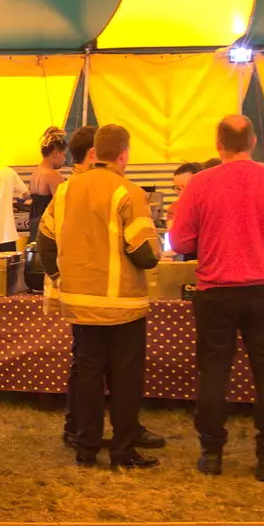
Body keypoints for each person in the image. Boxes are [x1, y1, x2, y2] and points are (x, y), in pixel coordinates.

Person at [169, 115, 264, 482]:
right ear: (252, 142)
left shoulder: (200, 184)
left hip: (216, 291)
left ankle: (212, 453)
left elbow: (181, 242)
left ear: (218, 144)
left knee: (214, 373)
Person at [37, 125, 161, 469]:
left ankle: (86, 446)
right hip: (122, 304)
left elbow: (44, 240)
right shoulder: (129, 192)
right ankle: (122, 451)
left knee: (88, 376)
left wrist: (61, 276)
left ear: (94, 152)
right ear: (123, 154)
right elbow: (145, 252)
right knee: (125, 379)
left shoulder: (65, 190)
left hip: (80, 303)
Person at [27, 126, 67, 239]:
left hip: (34, 225)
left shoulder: (35, 174)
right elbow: (61, 207)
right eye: (63, 154)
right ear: (55, 153)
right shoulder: (52, 175)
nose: (64, 159)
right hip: (47, 228)